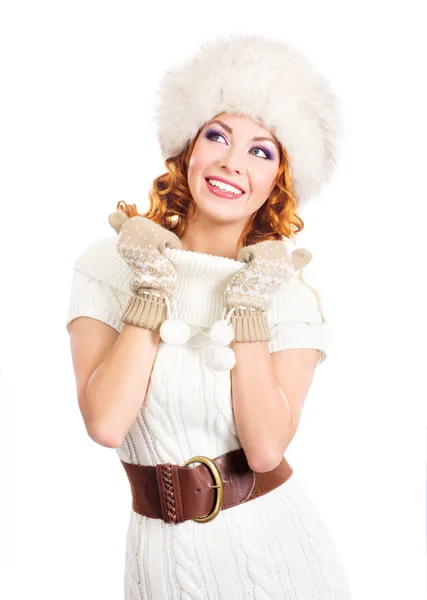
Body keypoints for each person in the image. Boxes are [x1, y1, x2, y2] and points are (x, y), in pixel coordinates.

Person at [66, 33, 352, 599]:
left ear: (279, 181)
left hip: (276, 557)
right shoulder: (110, 263)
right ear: (188, 148)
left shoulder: (288, 290)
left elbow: (266, 447)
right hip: (156, 558)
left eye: (260, 150)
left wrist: (248, 306)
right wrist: (151, 289)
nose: (230, 161)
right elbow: (105, 422)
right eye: (217, 135)